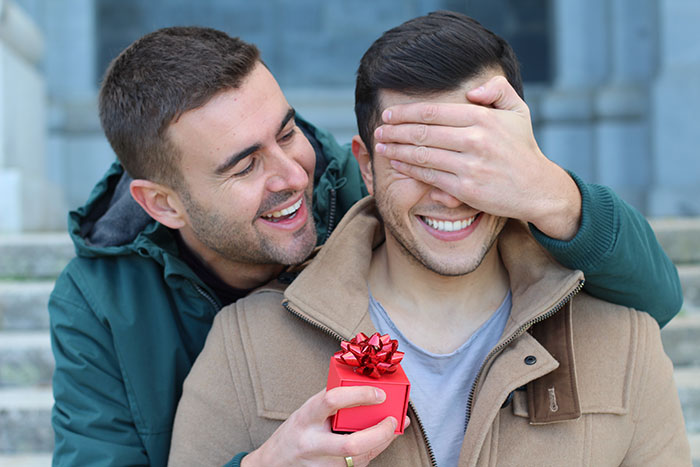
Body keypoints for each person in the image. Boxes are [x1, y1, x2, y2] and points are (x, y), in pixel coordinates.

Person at [48, 23, 682, 466]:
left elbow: (652, 295)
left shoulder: (363, 186)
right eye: (244, 166)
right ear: (164, 204)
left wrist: (551, 191)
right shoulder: (104, 304)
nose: (293, 175)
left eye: (288, 130)